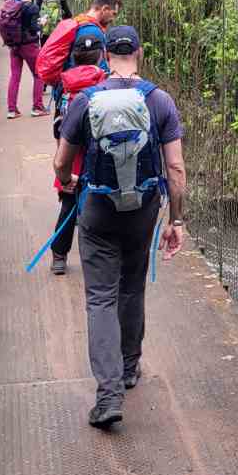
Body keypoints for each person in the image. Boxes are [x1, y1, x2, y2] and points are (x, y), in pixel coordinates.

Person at [53, 24, 186, 429]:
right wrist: (176, 220)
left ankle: (108, 395)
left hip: (97, 209)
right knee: (132, 287)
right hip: (143, 210)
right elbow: (176, 169)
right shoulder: (159, 101)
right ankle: (129, 368)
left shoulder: (85, 101)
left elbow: (62, 162)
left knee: (101, 298)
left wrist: (70, 183)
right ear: (140, 54)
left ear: (107, 55)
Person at [47, 29, 107, 276]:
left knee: (69, 206)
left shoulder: (63, 84)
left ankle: (59, 257)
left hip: (71, 155)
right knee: (103, 205)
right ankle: (99, 258)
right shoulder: (105, 82)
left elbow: (57, 126)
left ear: (74, 55)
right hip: (100, 155)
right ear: (101, 55)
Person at [36, 0, 122, 89]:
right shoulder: (92, 31)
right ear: (104, 9)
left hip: (66, 88)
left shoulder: (79, 21)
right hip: (78, 91)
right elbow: (94, 70)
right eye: (113, 14)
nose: (113, 19)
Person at [2, 0, 49, 119]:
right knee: (39, 74)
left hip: (14, 45)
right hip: (29, 45)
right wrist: (42, 23)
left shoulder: (15, 6)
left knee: (15, 76)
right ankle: (37, 107)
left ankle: (12, 110)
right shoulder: (33, 8)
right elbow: (34, 28)